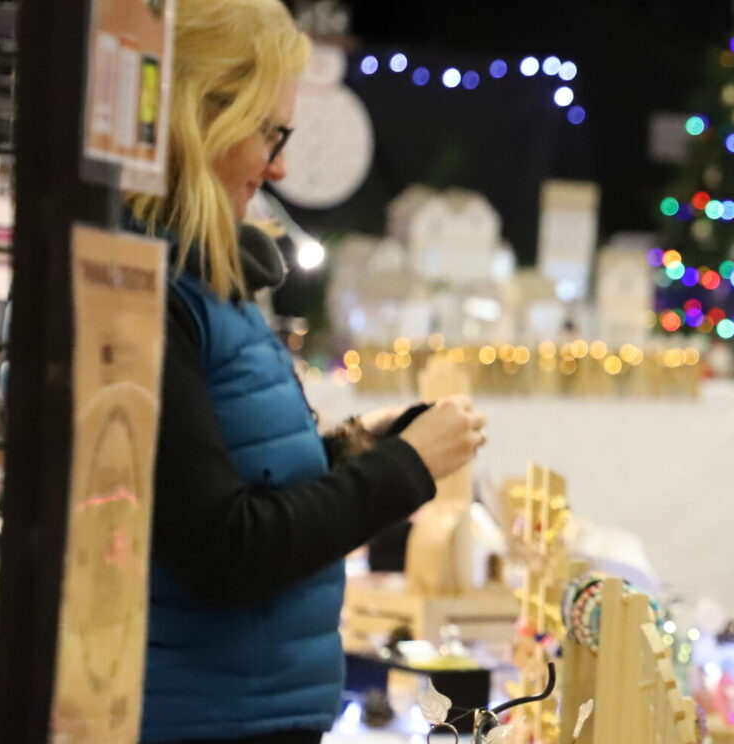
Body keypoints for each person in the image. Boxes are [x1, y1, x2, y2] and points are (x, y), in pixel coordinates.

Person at [131, 2, 488, 741]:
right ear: (204, 121)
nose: (281, 166)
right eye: (270, 133)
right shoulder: (154, 297)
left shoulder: (205, 288)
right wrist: (403, 470)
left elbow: (240, 488)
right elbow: (228, 548)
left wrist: (363, 445)